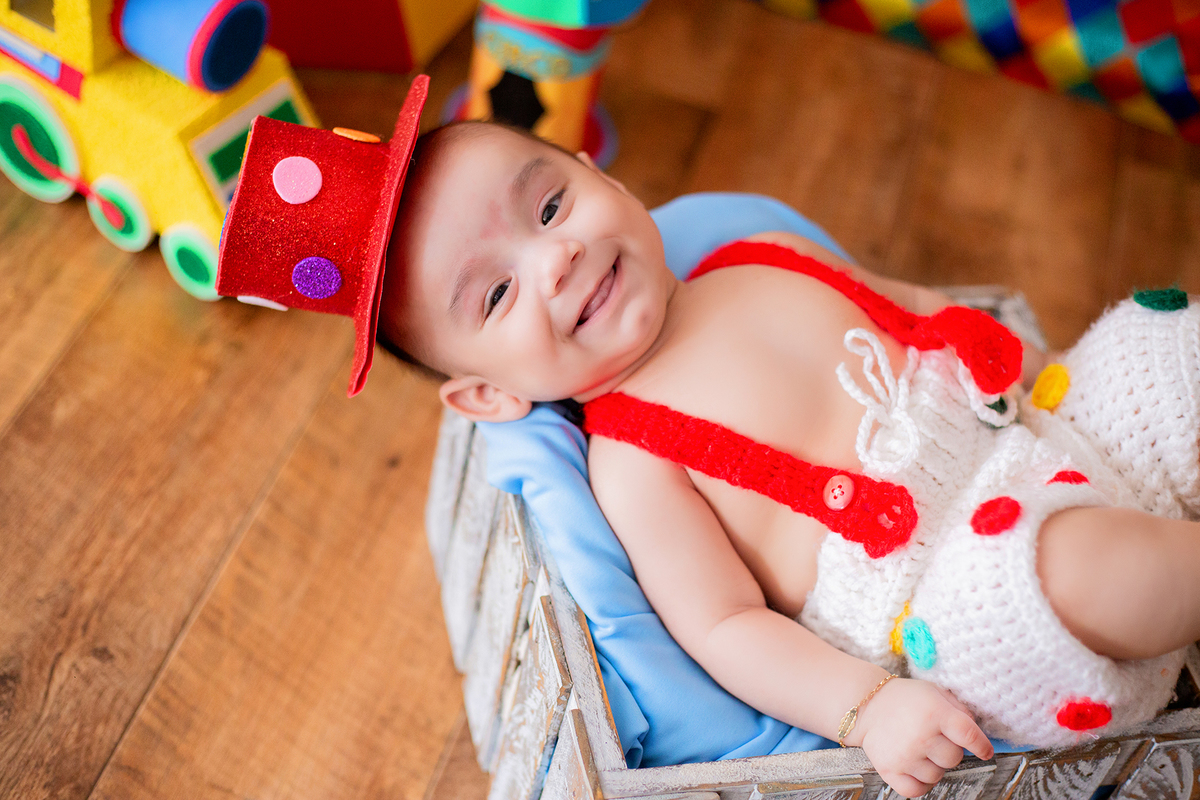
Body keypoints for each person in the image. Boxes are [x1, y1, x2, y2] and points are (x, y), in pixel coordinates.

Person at [376, 120, 1200, 798]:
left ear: (608, 180)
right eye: (496, 294)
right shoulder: (633, 464)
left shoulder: (764, 250)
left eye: (552, 205)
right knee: (1084, 566)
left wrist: (1014, 356)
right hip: (955, 593)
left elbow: (909, 308)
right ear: (488, 396)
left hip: (1030, 437)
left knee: (1158, 350)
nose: (554, 259)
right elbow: (725, 627)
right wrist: (867, 708)